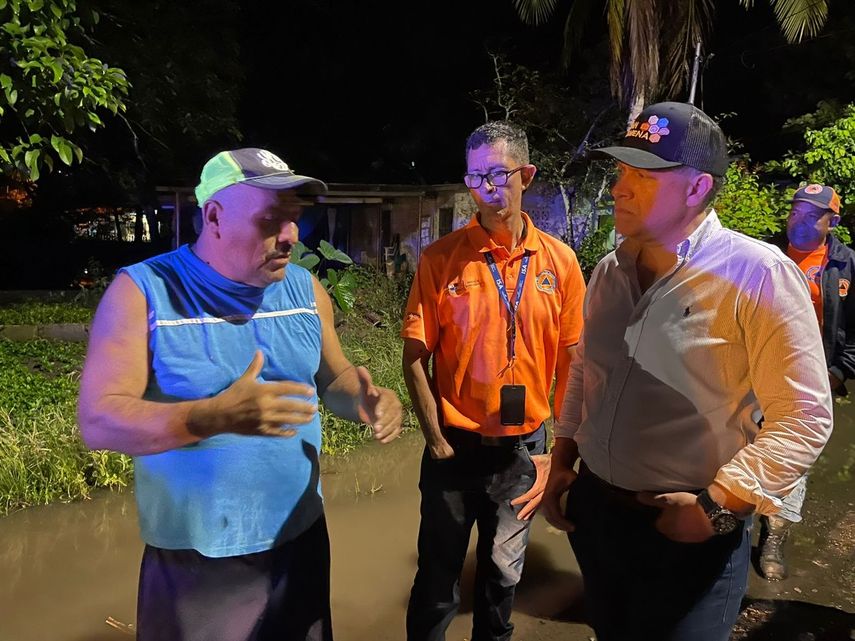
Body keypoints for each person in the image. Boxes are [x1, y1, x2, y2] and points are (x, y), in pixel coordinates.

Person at [77, 147, 403, 641]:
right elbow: (99, 421)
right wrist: (209, 417)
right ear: (214, 216)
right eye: (271, 219)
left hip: (301, 539)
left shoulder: (305, 289)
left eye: (293, 219)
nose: (291, 235)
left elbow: (332, 379)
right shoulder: (143, 292)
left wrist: (366, 399)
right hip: (198, 560)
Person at [541, 102, 834, 641]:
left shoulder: (758, 275)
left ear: (698, 189)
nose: (618, 188)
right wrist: (563, 457)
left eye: (642, 175)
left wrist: (717, 508)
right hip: (596, 515)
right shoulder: (609, 270)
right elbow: (587, 368)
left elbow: (806, 417)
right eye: (621, 171)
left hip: (687, 528)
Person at [402, 121, 586, 641]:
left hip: (525, 453)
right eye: (476, 176)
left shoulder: (561, 263)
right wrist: (436, 439)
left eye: (499, 174)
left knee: (503, 581)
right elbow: (413, 356)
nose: (487, 187)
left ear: (525, 175)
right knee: (436, 580)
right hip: (453, 451)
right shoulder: (441, 260)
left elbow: (574, 365)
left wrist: (561, 454)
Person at [758, 183, 855, 579]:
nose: (799, 219)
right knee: (741, 447)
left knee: (792, 461)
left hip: (811, 381)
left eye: (811, 214)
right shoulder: (763, 253)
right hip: (753, 370)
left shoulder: (846, 265)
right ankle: (733, 520)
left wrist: (836, 373)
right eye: (795, 211)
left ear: (831, 222)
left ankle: (774, 535)